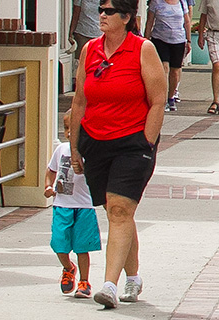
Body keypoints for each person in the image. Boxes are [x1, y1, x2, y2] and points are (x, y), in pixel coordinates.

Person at [69, 0, 168, 308]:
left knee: (120, 211)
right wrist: (74, 148)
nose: (101, 15)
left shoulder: (142, 49)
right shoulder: (90, 50)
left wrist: (146, 142)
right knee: (117, 211)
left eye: (109, 11)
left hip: (132, 143)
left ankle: (108, 286)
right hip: (96, 142)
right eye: (100, 9)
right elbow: (79, 102)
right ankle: (134, 277)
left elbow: (158, 99)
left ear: (126, 17)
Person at [48, 136, 101, 300]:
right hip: (62, 205)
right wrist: (48, 186)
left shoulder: (92, 151)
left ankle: (84, 282)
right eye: (67, 129)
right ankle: (68, 268)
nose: (71, 133)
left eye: (76, 129)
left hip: (85, 206)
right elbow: (51, 170)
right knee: (58, 242)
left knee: (82, 247)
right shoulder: (61, 150)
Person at [145, 0, 191, 112]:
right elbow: (150, 21)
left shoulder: (181, 2)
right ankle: (163, 98)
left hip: (178, 40)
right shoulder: (156, 3)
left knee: (175, 72)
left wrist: (189, 40)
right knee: (164, 68)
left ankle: (171, 97)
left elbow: (187, 21)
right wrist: (146, 39)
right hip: (160, 39)